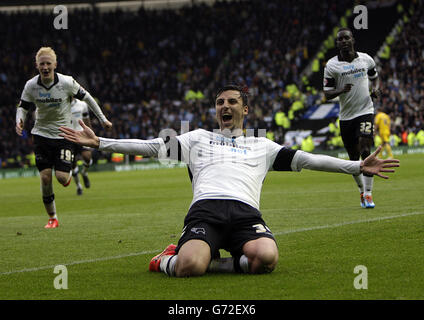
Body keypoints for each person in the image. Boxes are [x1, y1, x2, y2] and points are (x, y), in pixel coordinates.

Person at [59, 84, 399, 277]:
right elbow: (151, 147)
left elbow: (308, 160)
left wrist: (355, 167)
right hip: (205, 211)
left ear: (245, 110)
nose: (225, 105)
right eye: (220, 102)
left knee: (266, 259)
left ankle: (214, 261)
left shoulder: (261, 144)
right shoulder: (197, 138)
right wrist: (100, 143)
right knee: (189, 267)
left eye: (232, 101)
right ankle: (165, 259)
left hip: (246, 215)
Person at [15, 47, 112, 229]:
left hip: (64, 135)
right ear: (37, 65)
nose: (45, 67)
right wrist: (19, 121)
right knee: (45, 178)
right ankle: (53, 218)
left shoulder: (67, 82)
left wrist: (103, 119)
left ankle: (69, 176)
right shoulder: (31, 85)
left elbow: (88, 98)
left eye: (48, 63)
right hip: (41, 136)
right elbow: (23, 106)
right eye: (41, 64)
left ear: (55, 65)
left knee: (60, 177)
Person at [323, 28, 381, 209]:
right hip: (346, 117)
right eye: (340, 39)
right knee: (354, 159)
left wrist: (375, 89)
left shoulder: (366, 59)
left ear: (352, 40)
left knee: (365, 149)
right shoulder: (332, 66)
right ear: (337, 43)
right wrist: (341, 90)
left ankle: (370, 194)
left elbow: (375, 77)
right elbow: (327, 94)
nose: (344, 41)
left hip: (365, 111)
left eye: (346, 38)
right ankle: (362, 191)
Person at [70, 97, 94, 195]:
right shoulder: (61, 105)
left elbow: (87, 120)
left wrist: (91, 135)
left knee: (87, 157)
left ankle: (84, 172)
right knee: (72, 163)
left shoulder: (82, 105)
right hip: (69, 137)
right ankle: (79, 186)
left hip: (82, 135)